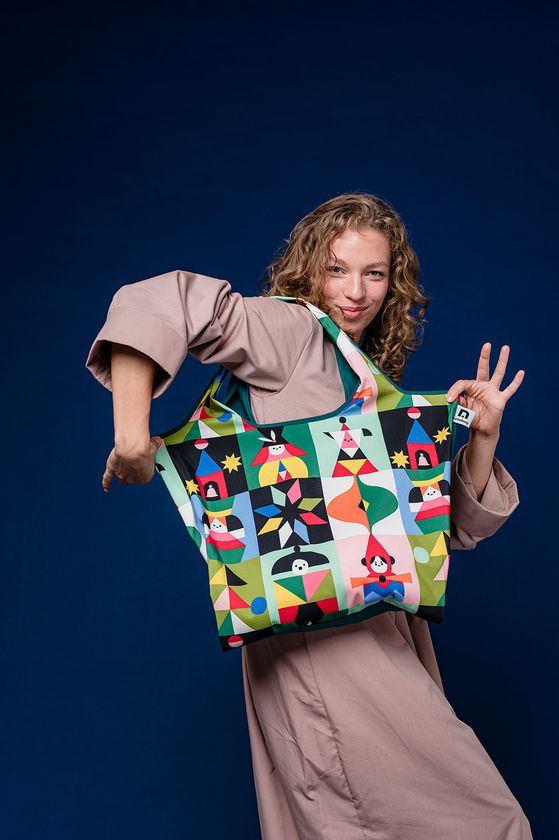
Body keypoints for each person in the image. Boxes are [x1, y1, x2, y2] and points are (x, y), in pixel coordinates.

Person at [85, 193, 532, 839]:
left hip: (368, 626)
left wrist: (482, 436)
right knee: (483, 823)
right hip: (329, 641)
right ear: (307, 269)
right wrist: (132, 439)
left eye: (374, 273)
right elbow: (158, 298)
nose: (355, 292)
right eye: (336, 269)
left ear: (394, 281)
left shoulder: (357, 372)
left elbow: (449, 530)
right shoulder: (292, 332)